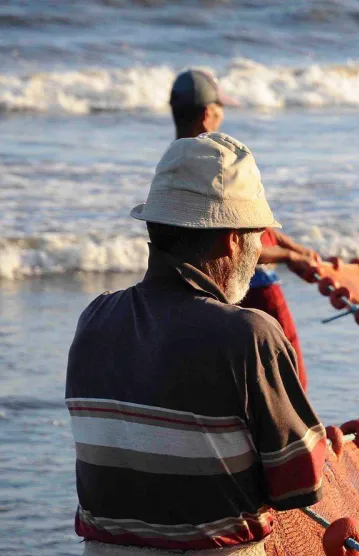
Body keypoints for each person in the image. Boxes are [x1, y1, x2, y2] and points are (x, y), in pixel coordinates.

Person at [66, 132, 326, 555]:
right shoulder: (249, 336)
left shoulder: (93, 320)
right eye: (257, 235)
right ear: (233, 240)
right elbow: (301, 482)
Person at [170, 69, 317, 389]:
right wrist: (289, 257)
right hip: (252, 290)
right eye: (220, 109)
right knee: (287, 379)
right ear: (208, 114)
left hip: (211, 295)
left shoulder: (173, 165)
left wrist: (290, 244)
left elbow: (246, 221)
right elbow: (231, 243)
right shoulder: (215, 161)